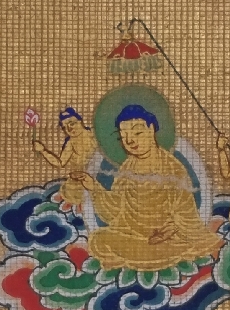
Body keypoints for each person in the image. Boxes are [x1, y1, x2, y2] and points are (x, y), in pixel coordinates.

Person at [84, 105, 221, 270]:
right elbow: (115, 210)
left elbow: (186, 214)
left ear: (151, 129)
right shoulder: (127, 168)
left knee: (178, 245)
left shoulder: (172, 168)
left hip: (165, 240)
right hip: (132, 237)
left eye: (137, 133)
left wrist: (172, 228)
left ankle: (143, 257)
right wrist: (94, 187)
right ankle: (143, 256)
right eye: (124, 136)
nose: (130, 141)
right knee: (98, 240)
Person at [32, 107, 95, 212]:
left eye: (72, 123)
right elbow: (60, 163)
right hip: (78, 182)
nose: (69, 129)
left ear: (80, 121)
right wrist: (43, 150)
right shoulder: (70, 143)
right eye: (65, 127)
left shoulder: (94, 135)